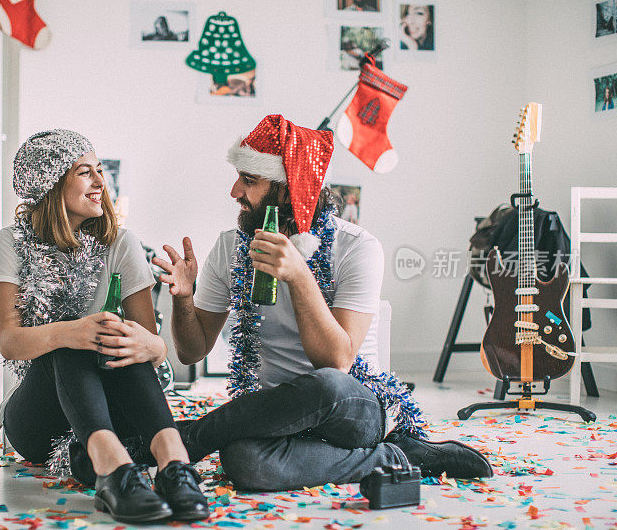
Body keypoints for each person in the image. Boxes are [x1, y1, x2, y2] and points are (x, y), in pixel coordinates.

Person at [153, 115, 493, 491]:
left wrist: (299, 276)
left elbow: (336, 362)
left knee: (327, 385)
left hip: (351, 406)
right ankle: (395, 457)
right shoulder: (230, 247)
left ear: (288, 189)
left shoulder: (357, 247)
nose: (234, 191)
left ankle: (186, 438)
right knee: (244, 463)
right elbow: (190, 352)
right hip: (273, 412)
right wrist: (184, 299)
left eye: (249, 180)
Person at [0, 129, 209, 523]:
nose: (100, 181)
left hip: (113, 411)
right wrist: (71, 331)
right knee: (76, 339)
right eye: (84, 172)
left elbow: (152, 346)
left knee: (118, 337)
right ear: (50, 184)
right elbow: (9, 341)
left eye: (99, 170)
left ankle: (174, 464)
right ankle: (114, 472)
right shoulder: (11, 242)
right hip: (38, 419)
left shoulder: (120, 243)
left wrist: (145, 342)